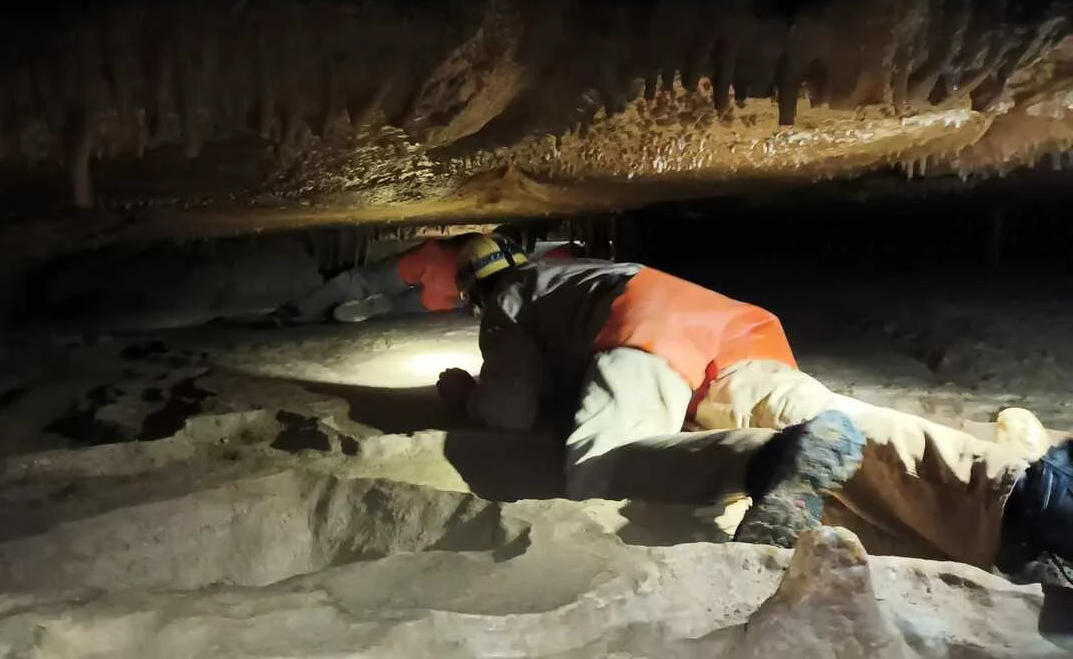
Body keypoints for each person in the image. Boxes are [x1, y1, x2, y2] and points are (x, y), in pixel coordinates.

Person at [436, 234, 1072, 576]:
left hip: (643, 333)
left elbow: (510, 410)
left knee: (598, 464)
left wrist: (465, 394)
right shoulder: (576, 270)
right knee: (839, 422)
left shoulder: (508, 295)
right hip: (728, 335)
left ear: (474, 287)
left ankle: (769, 460)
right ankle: (1024, 493)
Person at [268, 234, 477, 325]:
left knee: (358, 281)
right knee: (400, 306)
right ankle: (379, 307)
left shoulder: (478, 245)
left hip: (424, 262)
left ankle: (298, 311)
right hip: (447, 286)